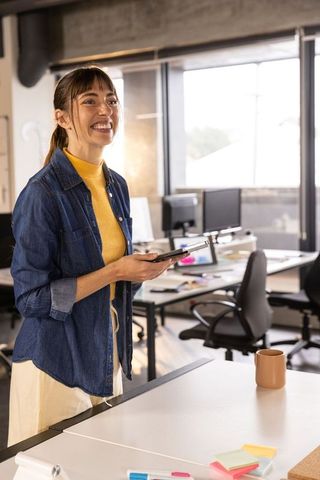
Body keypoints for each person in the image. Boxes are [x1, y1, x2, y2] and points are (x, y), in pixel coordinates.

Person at [8, 66, 174, 446]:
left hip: (106, 351)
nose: (106, 110)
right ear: (62, 117)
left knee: (103, 465)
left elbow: (112, 273)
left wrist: (137, 271)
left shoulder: (115, 185)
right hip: (55, 363)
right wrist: (116, 270)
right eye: (90, 101)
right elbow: (31, 300)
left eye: (112, 100)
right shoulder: (42, 194)